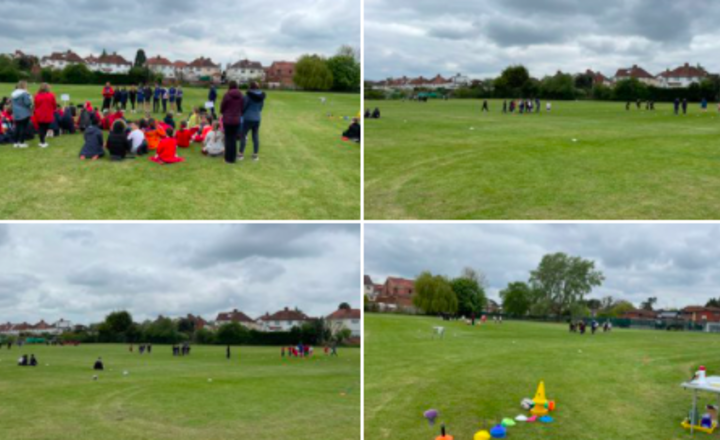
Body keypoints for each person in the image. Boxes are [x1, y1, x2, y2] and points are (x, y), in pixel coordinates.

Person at [239, 82, 265, 161]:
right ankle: (255, 155)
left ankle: (240, 154)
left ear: (250, 87)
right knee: (255, 136)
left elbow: (243, 106)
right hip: (257, 118)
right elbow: (261, 107)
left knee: (243, 135)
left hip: (247, 118)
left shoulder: (247, 96)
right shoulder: (261, 97)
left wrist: (242, 113)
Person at [220, 81, 244, 164]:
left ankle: (228, 158)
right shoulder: (241, 95)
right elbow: (242, 107)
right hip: (236, 119)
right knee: (233, 139)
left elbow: (222, 106)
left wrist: (223, 112)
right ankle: (233, 158)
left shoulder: (227, 95)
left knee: (228, 138)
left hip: (227, 119)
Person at [33, 83, 57, 149]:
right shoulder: (51, 95)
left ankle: (42, 141)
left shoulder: (37, 95)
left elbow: (36, 104)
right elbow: (54, 104)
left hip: (39, 113)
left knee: (41, 127)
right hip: (48, 113)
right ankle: (42, 142)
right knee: (44, 127)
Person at [11, 80, 33, 149]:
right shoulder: (24, 93)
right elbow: (27, 103)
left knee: (17, 127)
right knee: (23, 128)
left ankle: (15, 142)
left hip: (16, 113)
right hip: (24, 113)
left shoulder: (13, 93)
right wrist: (30, 99)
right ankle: (21, 142)